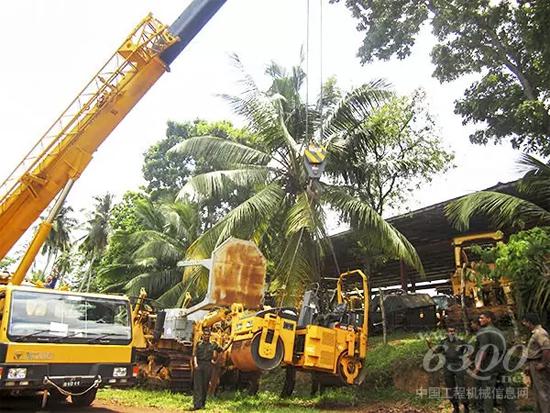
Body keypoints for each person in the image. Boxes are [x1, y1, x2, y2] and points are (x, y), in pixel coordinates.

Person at [472, 311, 516, 413]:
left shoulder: (483, 332)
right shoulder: (500, 331)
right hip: (502, 363)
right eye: (479, 318)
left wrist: (477, 367)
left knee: (488, 391)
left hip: (490, 363)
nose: (480, 320)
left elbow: (484, 350)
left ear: (489, 319)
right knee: (506, 388)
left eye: (482, 318)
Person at [428, 327, 470, 413]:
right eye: (450, 331)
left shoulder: (460, 341)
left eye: (453, 331)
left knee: (461, 386)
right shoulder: (443, 342)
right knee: (450, 387)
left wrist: (467, 359)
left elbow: (469, 351)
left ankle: (466, 406)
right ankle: (455, 407)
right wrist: (429, 345)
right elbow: (435, 351)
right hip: (447, 366)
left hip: (459, 365)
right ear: (447, 333)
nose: (452, 333)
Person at [192, 329, 230, 410]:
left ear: (209, 336)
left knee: (205, 385)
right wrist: (195, 364)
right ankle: (196, 405)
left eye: (208, 335)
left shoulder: (213, 345)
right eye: (205, 334)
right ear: (203, 335)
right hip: (199, 364)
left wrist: (230, 342)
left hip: (208, 365)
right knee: (197, 385)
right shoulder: (199, 344)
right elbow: (195, 355)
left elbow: (222, 350)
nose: (206, 336)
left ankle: (202, 404)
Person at [521, 313, 550, 413]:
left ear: (529, 322)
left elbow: (546, 349)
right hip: (533, 364)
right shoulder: (535, 333)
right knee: (538, 391)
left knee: (543, 391)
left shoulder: (540, 333)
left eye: (525, 322)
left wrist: (543, 364)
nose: (524, 324)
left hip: (538, 364)